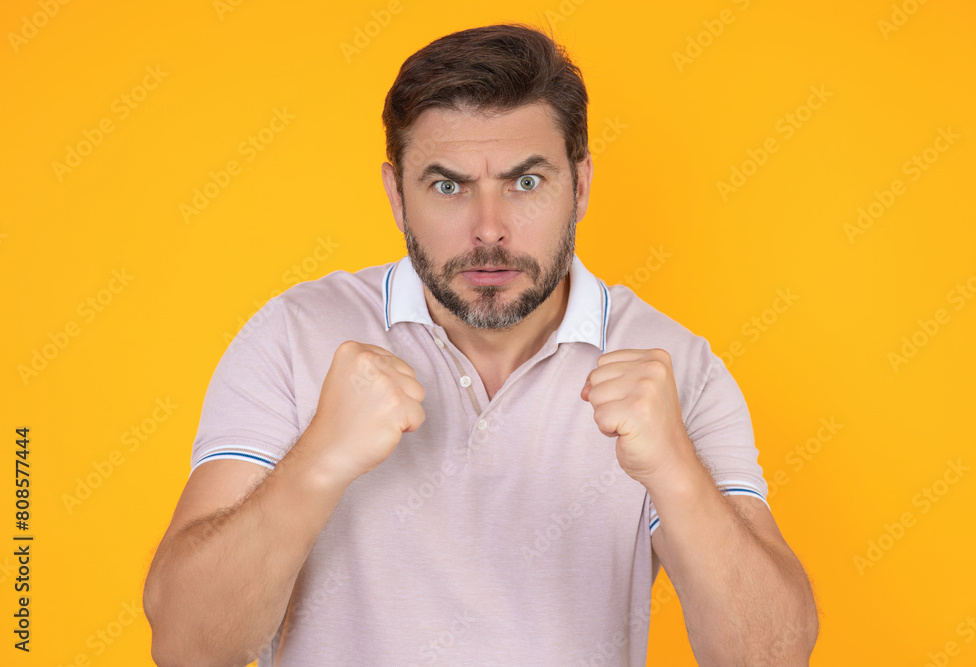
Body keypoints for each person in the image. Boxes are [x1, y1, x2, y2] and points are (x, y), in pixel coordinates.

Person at [143, 23, 818, 666]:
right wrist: (319, 459)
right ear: (396, 196)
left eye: (526, 182)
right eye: (448, 185)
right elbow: (188, 645)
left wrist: (675, 470)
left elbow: (771, 653)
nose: (489, 229)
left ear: (579, 185)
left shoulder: (677, 366)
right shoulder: (294, 334)